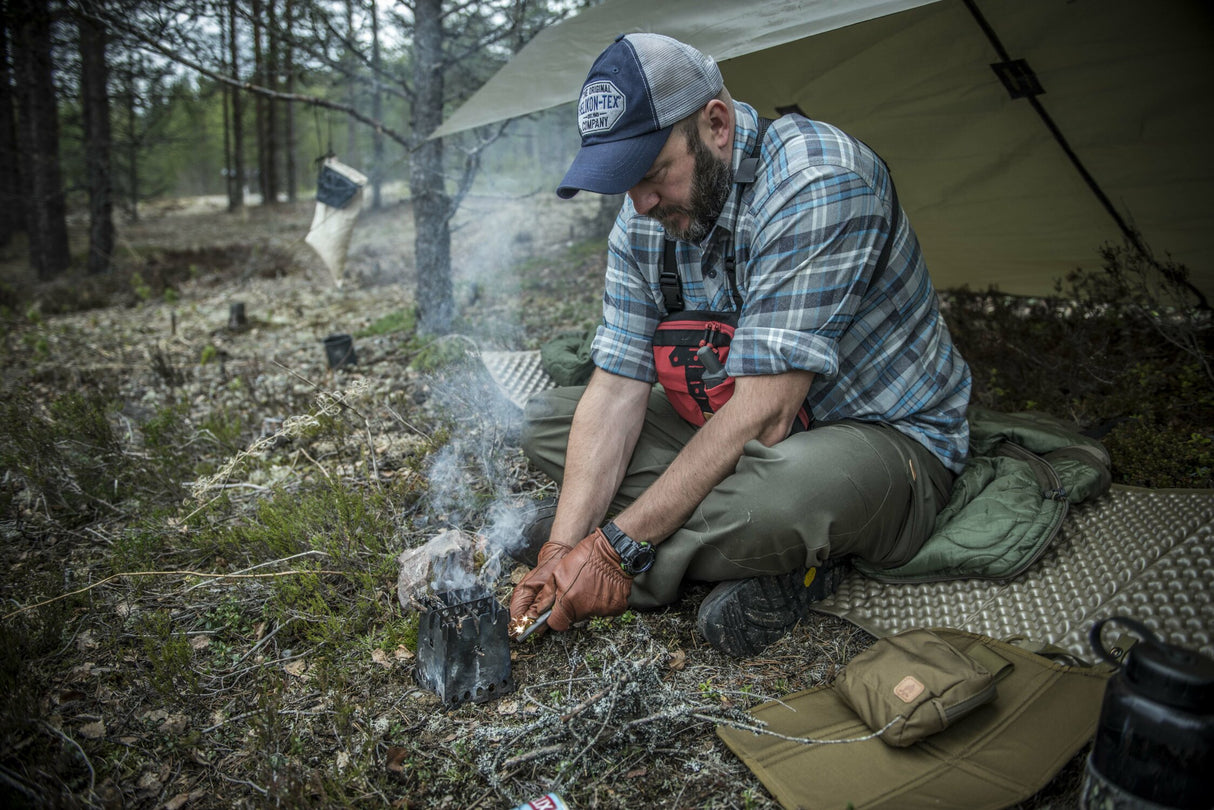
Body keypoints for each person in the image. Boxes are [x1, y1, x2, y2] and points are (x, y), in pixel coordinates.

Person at [509, 32, 972, 656]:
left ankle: (655, 565)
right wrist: (563, 545)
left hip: (878, 439)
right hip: (730, 424)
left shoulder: (819, 182)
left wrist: (614, 549)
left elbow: (767, 413)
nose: (639, 203)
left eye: (651, 175)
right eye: (626, 183)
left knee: (782, 498)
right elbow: (617, 386)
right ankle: (741, 554)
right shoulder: (644, 216)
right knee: (546, 422)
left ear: (717, 124)